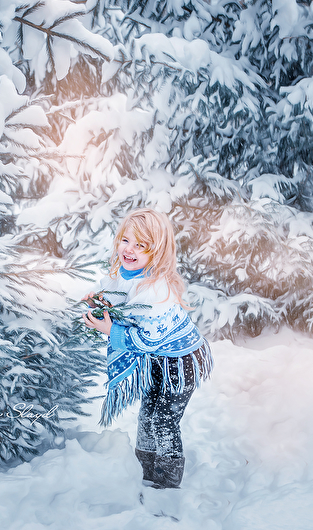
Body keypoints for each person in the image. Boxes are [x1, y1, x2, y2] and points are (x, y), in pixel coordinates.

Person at [83, 208, 213, 489]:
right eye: (125, 240)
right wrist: (100, 303)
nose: (129, 249)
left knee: (163, 420)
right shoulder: (126, 273)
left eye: (140, 245)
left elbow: (147, 339)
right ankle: (146, 472)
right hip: (157, 359)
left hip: (181, 361)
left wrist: (111, 330)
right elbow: (119, 299)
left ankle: (167, 483)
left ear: (157, 252)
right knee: (147, 415)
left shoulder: (156, 290)